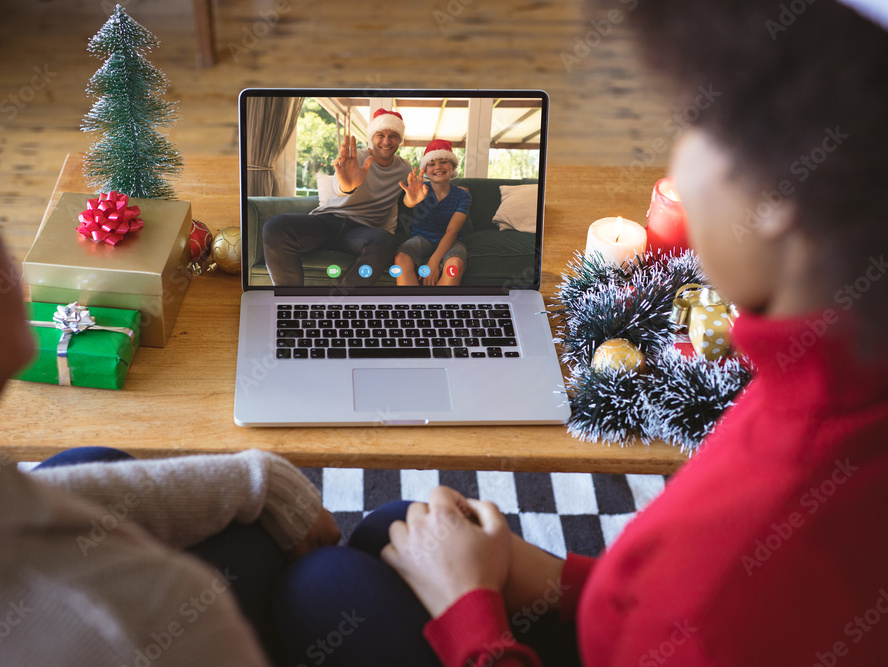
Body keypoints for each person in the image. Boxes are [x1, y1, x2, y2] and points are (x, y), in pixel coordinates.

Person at [273, 0, 888, 665]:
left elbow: (685, 609)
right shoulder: (837, 379)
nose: (677, 166)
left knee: (317, 586)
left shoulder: (727, 578)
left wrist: (469, 608)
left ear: (782, 195)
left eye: (697, 123)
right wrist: (537, 572)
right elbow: (653, 597)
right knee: (393, 526)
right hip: (624, 622)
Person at [0, 64, 340, 666]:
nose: (7, 248)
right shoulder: (141, 621)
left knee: (86, 461)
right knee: (337, 578)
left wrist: (254, 477)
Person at [262, 108, 412, 286]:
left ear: (400, 139)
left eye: (393, 135)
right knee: (276, 226)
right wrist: (346, 187)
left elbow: (409, 197)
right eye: (380, 134)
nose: (386, 141)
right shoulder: (356, 156)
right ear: (372, 136)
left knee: (386, 241)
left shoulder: (405, 168)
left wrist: (413, 201)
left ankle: (344, 304)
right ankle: (291, 300)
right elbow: (338, 186)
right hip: (327, 221)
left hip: (361, 232)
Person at [395, 140, 471, 286]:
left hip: (452, 241)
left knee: (454, 264)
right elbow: (408, 201)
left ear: (453, 166)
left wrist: (434, 262)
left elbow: (452, 231)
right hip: (422, 238)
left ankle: (438, 306)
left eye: (443, 162)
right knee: (401, 258)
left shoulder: (463, 196)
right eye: (431, 164)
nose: (438, 167)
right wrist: (411, 200)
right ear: (426, 169)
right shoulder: (420, 189)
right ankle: (413, 307)